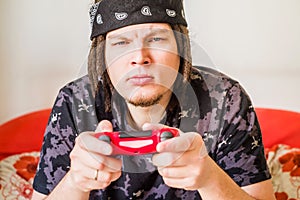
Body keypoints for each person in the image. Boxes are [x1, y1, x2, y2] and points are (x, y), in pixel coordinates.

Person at [32, 0, 276, 199]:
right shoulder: (74, 101)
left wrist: (211, 180)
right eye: (121, 43)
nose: (139, 57)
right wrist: (76, 182)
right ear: (103, 56)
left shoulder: (225, 98)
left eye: (157, 39)